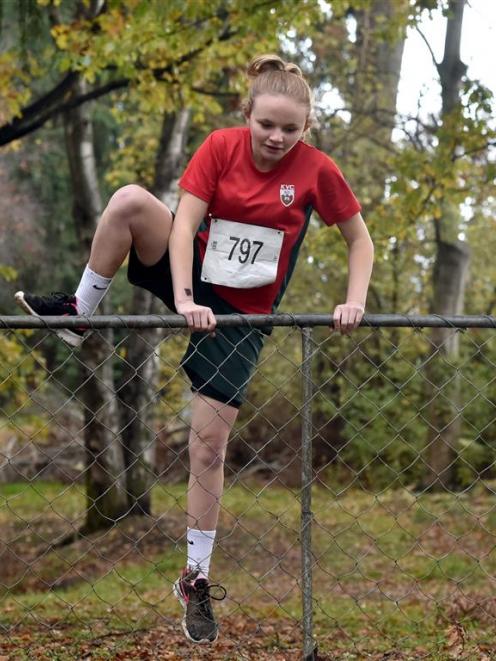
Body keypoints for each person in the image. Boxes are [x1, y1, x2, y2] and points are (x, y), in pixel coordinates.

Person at [15, 53, 374, 644]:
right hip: (194, 277)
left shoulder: (316, 171)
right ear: (247, 115)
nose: (277, 137)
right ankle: (79, 312)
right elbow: (182, 225)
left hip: (244, 317)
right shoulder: (219, 147)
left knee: (208, 450)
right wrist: (184, 297)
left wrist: (351, 300)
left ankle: (196, 579)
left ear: (306, 129)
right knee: (131, 199)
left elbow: (360, 242)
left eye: (291, 128)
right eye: (266, 125)